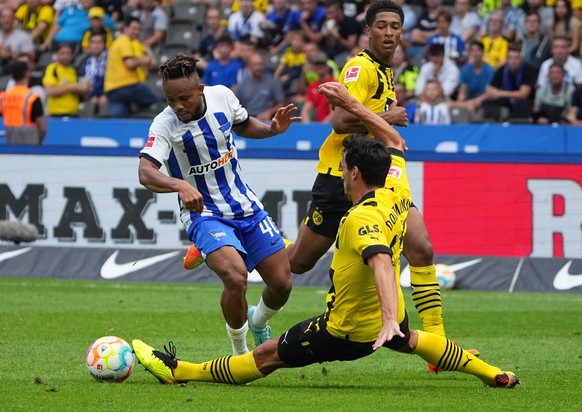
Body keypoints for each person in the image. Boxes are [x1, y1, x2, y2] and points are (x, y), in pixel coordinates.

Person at [132, 81, 520, 390]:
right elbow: (395, 141)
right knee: (414, 340)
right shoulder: (397, 188)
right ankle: (493, 373)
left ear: (351, 173)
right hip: (391, 321)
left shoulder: (356, 220)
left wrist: (387, 319)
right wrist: (352, 104)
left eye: (343, 164)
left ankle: (181, 370)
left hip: (345, 330)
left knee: (266, 356)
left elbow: (383, 263)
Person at [285, 0, 467, 372]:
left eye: (394, 26)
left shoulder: (386, 70)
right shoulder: (360, 67)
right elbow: (339, 121)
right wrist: (390, 117)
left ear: (402, 32)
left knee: (422, 246)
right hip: (343, 177)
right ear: (368, 31)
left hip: (378, 178)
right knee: (297, 263)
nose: (388, 32)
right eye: (380, 25)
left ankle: (438, 347)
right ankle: (240, 244)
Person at [138, 53, 299, 356]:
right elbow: (145, 172)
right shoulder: (164, 124)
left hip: (245, 206)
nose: (178, 106)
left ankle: (258, 319)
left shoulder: (222, 96)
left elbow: (243, 124)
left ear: (200, 90)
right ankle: (240, 354)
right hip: (204, 214)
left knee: (282, 283)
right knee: (236, 277)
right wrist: (180, 184)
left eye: (184, 98)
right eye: (171, 100)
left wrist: (272, 129)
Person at [104, 16, 160, 118]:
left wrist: (146, 55)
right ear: (125, 28)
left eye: (138, 29)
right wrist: (145, 59)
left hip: (112, 90)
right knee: (158, 103)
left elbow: (151, 63)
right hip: (127, 86)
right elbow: (130, 63)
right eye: (133, 28)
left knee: (119, 118)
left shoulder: (125, 42)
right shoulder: (124, 40)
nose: (136, 32)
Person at [480, 45, 536, 121]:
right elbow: (490, 89)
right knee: (489, 101)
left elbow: (523, 94)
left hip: (524, 101)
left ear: (521, 59)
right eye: (510, 58)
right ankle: (491, 124)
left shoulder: (528, 70)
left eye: (516, 58)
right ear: (506, 59)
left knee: (523, 105)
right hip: (507, 99)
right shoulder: (502, 70)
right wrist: (496, 94)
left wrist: (499, 93)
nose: (513, 61)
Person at [0, 61, 46, 144]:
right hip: (29, 144)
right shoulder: (32, 98)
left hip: (10, 143)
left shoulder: (3, 97)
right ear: (26, 73)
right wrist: (40, 142)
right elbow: (42, 128)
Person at [234, 52, 285, 122]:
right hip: (248, 121)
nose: (258, 67)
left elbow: (281, 104)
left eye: (260, 64)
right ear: (249, 66)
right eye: (255, 65)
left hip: (267, 121)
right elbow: (235, 106)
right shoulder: (242, 85)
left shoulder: (273, 82)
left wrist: (269, 112)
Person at [43, 43, 90, 117]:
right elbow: (49, 91)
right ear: (57, 54)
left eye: (68, 54)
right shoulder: (52, 68)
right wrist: (70, 87)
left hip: (74, 114)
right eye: (62, 53)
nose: (66, 56)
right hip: (57, 114)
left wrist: (82, 89)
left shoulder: (73, 71)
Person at [79, 32, 108, 116]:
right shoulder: (82, 61)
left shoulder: (110, 60)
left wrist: (105, 94)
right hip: (87, 94)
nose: (96, 45)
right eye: (93, 42)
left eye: (99, 42)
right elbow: (80, 78)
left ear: (104, 45)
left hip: (106, 93)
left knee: (103, 101)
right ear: (89, 45)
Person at [300, 52, 335, 123]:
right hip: (319, 124)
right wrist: (309, 127)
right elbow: (305, 111)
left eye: (322, 64)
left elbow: (334, 112)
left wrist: (320, 127)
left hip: (332, 126)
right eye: (317, 64)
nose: (319, 67)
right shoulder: (313, 86)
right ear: (313, 67)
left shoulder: (334, 84)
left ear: (327, 66)